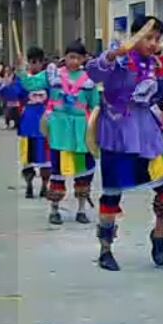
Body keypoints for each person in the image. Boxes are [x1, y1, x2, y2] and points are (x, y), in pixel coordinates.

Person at [87, 19, 163, 271]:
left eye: (157, 39)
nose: (153, 44)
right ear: (135, 36)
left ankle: (158, 235)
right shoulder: (119, 60)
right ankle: (106, 249)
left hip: (147, 132)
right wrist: (113, 53)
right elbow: (93, 72)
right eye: (148, 37)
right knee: (112, 193)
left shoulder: (156, 65)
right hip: (117, 133)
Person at [44, 42, 100, 224]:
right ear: (65, 57)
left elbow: (95, 106)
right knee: (57, 171)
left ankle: (82, 209)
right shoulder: (54, 77)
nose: (74, 61)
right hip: (59, 129)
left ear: (84, 59)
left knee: (83, 172)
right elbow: (30, 83)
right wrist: (22, 71)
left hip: (81, 130)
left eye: (78, 57)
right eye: (70, 57)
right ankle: (54, 209)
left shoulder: (89, 80)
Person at [17, 47, 53, 199]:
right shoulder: (23, 79)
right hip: (28, 123)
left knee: (46, 158)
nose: (35, 65)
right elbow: (17, 94)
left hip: (45, 123)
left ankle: (45, 185)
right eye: (32, 62)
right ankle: (29, 185)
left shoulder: (49, 79)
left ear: (43, 62)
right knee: (28, 158)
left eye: (38, 62)